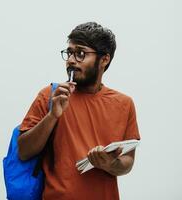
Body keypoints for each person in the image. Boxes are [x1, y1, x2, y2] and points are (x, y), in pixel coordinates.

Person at [17, 22, 141, 200]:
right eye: (69, 53)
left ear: (104, 59)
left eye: (80, 54)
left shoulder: (124, 104)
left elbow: (128, 162)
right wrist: (52, 116)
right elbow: (24, 151)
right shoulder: (50, 96)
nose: (71, 60)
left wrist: (110, 163)